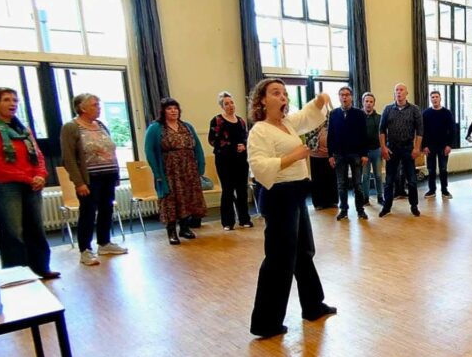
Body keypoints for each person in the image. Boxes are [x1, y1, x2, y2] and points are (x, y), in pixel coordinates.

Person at [247, 80, 336, 338]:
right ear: (262, 100)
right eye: (276, 93)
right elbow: (259, 167)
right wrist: (294, 157)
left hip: (296, 194)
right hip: (278, 196)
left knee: (304, 252)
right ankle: (266, 322)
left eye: (285, 93)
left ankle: (313, 305)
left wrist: (319, 101)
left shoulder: (286, 124)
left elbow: (306, 116)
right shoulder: (260, 131)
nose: (283, 97)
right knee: (279, 258)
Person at [0, 87, 59, 279]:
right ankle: (17, 275)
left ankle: (41, 268)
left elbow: (38, 155)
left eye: (15, 100)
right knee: (12, 233)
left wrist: (41, 174)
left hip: (32, 185)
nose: (12, 103)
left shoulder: (23, 129)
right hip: (5, 186)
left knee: (35, 229)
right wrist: (28, 178)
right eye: (6, 100)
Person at [60, 92, 129, 266]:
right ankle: (85, 250)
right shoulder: (71, 127)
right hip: (89, 178)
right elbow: (68, 158)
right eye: (95, 105)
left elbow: (111, 150)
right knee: (88, 212)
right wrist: (79, 182)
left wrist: (116, 174)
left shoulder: (100, 125)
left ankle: (104, 243)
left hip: (108, 174)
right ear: (82, 108)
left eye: (98, 104)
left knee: (107, 209)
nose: (99, 108)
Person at [144, 97, 206, 245]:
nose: (173, 111)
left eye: (175, 108)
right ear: (163, 111)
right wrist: (157, 173)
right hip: (169, 171)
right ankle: (171, 231)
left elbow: (197, 147)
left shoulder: (187, 126)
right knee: (170, 199)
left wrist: (201, 166)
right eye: (169, 108)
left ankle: (184, 228)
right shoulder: (155, 128)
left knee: (187, 197)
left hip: (189, 169)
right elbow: (149, 151)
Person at [208, 91, 253, 231]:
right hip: (224, 160)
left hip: (241, 159)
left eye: (232, 102)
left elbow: (246, 137)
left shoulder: (241, 121)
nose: (230, 105)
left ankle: (244, 219)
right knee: (227, 190)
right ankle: (228, 222)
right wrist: (233, 146)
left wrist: (243, 145)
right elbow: (212, 140)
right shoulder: (217, 120)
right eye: (226, 104)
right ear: (222, 106)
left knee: (242, 189)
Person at [378, 83, 423, 217]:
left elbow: (420, 130)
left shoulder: (414, 109)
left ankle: (414, 205)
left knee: (412, 180)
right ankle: (387, 206)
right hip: (391, 148)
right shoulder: (388, 109)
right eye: (396, 90)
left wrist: (417, 148)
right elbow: (381, 130)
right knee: (389, 180)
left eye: (401, 90)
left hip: (408, 148)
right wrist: (383, 147)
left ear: (406, 93)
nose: (399, 92)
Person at [327, 86, 368, 221]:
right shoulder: (333, 114)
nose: (344, 97)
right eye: (342, 95)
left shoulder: (359, 114)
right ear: (339, 97)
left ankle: (360, 210)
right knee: (341, 184)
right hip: (339, 154)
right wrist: (330, 155)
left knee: (357, 184)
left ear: (351, 97)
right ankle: (343, 210)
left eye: (347, 95)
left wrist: (364, 154)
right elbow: (331, 135)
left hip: (356, 154)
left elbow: (364, 135)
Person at [422, 89, 454, 199]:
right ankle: (432, 190)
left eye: (436, 97)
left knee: (443, 169)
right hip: (430, 146)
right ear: (430, 99)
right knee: (431, 169)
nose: (435, 99)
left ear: (440, 98)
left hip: (443, 146)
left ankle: (444, 190)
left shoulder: (447, 113)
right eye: (433, 97)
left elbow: (452, 130)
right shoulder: (426, 113)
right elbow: (422, 131)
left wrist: (449, 145)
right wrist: (424, 146)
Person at [306, 96, 337, 211]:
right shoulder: (311, 119)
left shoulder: (331, 116)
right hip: (315, 154)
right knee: (318, 180)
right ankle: (319, 202)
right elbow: (308, 135)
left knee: (331, 179)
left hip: (330, 154)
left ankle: (332, 201)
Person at [360, 92, 383, 207]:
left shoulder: (379, 118)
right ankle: (365, 198)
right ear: (363, 102)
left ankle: (380, 197)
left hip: (377, 151)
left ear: (374, 103)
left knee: (378, 175)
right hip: (364, 153)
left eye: (371, 102)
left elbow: (383, 134)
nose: (368, 104)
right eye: (366, 101)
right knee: (365, 176)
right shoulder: (358, 117)